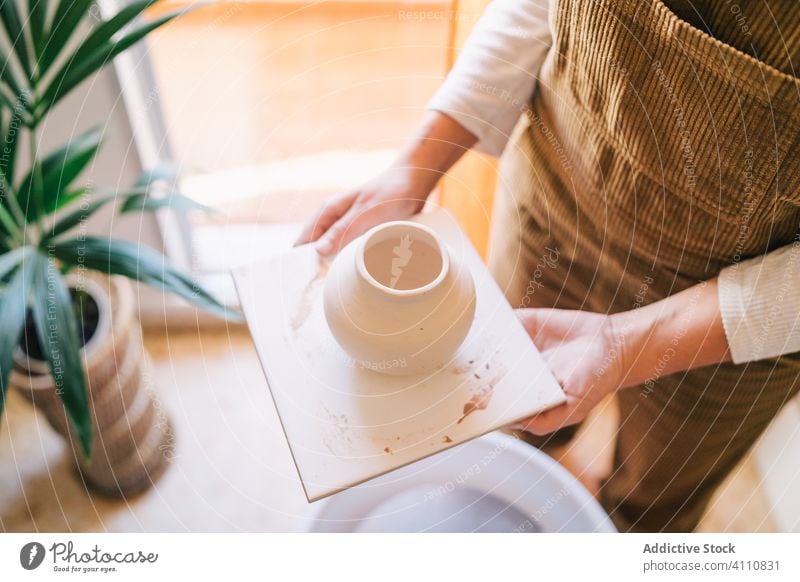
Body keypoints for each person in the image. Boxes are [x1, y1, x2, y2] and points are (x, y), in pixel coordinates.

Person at [296, 0, 800, 532]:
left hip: (738, 313)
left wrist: (629, 345)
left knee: (652, 503)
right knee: (511, 428)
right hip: (553, 212)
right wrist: (414, 168)